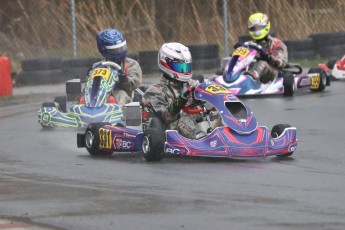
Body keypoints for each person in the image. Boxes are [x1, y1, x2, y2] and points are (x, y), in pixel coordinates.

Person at [142, 42, 206, 139]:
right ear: (166, 64)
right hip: (169, 133)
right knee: (184, 120)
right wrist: (177, 104)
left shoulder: (193, 85)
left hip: (197, 125)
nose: (184, 71)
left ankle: (229, 136)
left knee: (217, 115)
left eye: (186, 67)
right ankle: (203, 140)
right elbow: (165, 118)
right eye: (180, 67)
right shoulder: (154, 91)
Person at [89, 28, 142, 106]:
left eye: (121, 48)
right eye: (116, 50)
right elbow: (90, 86)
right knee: (83, 100)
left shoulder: (131, 64)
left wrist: (123, 78)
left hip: (124, 97)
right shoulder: (97, 67)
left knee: (120, 95)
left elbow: (134, 84)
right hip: (99, 97)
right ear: (104, 50)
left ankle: (116, 116)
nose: (120, 51)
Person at [240, 12, 288, 83]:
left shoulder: (276, 43)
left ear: (266, 26)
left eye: (258, 27)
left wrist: (267, 57)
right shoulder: (249, 44)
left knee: (262, 63)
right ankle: (226, 78)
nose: (256, 30)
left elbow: (280, 63)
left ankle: (251, 78)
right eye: (254, 28)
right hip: (251, 69)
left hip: (271, 72)